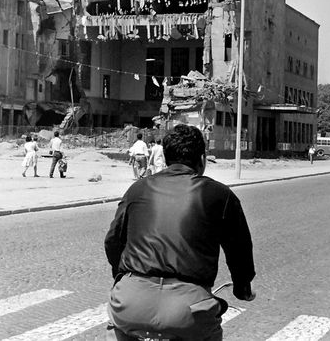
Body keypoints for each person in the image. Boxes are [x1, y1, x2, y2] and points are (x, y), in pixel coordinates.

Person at [105, 124, 256, 341]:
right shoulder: (220, 195)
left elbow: (113, 241)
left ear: (165, 159)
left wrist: (122, 279)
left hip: (130, 301)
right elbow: (239, 249)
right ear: (202, 160)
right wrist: (242, 288)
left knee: (116, 330)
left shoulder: (138, 189)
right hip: (188, 309)